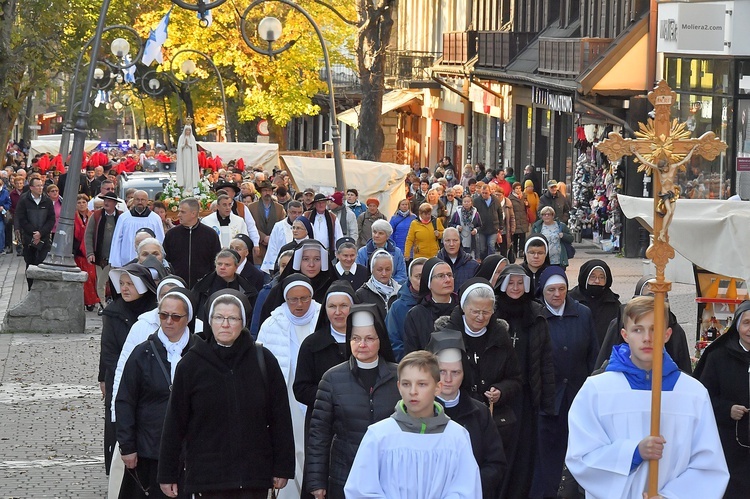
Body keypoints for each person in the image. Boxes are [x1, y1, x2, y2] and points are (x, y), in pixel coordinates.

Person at [567, 296, 729, 499]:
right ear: (625, 335)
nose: (647, 338)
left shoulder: (692, 394)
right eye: (638, 330)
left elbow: (709, 466)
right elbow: (581, 457)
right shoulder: (598, 390)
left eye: (655, 329)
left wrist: (673, 496)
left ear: (668, 334)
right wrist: (634, 453)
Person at [158, 289, 295, 498]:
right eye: (219, 317)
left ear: (243, 321)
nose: (225, 324)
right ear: (209, 321)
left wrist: (282, 467)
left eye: (233, 318)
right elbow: (175, 422)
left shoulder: (263, 360)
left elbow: (280, 418)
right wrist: (167, 473)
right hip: (208, 477)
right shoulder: (191, 364)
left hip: (253, 475)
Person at [343, 351, 482, 498]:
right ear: (398, 387)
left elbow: (466, 490)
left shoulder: (456, 437)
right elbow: (361, 490)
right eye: (406, 384)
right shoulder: (380, 435)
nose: (413, 391)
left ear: (437, 387)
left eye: (422, 384)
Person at [306, 304, 399, 499]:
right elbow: (318, 434)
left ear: (381, 340)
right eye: (355, 338)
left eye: (369, 338)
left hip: (390, 476)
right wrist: (317, 482)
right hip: (344, 475)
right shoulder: (331, 378)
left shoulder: (400, 377)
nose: (362, 344)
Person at [114, 288, 197, 499]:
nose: (168, 321)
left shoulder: (201, 353)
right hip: (149, 450)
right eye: (163, 315)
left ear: (187, 319)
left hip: (191, 452)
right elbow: (125, 401)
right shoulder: (142, 353)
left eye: (175, 316)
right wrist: (127, 446)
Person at [443, 278, 521, 492]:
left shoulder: (500, 336)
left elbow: (515, 378)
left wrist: (501, 391)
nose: (480, 317)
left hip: (494, 422)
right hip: (457, 418)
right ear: (463, 308)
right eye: (475, 311)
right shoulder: (447, 336)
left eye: (486, 312)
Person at [532, 266, 598, 499]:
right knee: (549, 454)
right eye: (551, 290)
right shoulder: (536, 316)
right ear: (542, 291)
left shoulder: (583, 314)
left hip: (578, 395)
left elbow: (593, 354)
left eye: (562, 289)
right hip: (549, 399)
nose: (557, 294)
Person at [258, 275, 322, 499]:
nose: (299, 304)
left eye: (304, 298)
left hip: (314, 392)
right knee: (292, 448)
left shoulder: (323, 318)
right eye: (293, 299)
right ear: (285, 299)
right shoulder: (272, 323)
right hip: (286, 395)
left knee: (314, 448)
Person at [494, 265, 555, 497]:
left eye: (520, 283)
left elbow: (546, 360)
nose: (516, 288)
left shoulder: (536, 313)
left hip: (527, 396)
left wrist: (548, 403)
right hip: (501, 394)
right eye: (511, 283)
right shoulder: (494, 311)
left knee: (524, 455)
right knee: (502, 452)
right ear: (503, 284)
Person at [428, 328, 506, 498]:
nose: (448, 380)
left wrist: (467, 487)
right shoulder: (419, 412)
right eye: (442, 372)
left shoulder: (480, 413)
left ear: (464, 374)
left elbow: (495, 463)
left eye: (455, 372)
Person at [99, 264, 158, 475]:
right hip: (119, 378)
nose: (124, 288)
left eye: (130, 284)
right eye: (121, 284)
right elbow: (108, 353)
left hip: (152, 380)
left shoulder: (156, 312)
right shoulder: (113, 312)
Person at [698, 300, 750, 498]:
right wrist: (727, 409)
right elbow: (703, 398)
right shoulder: (718, 357)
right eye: (746, 323)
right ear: (737, 326)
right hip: (729, 445)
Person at [598, 276, 692, 374]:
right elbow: (605, 356)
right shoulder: (618, 324)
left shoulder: (675, 328)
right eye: (637, 330)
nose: (647, 338)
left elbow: (684, 366)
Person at [162, 198, 222, 288]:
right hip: (177, 285)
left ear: (193, 214)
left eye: (183, 212)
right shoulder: (171, 234)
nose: (178, 215)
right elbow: (166, 260)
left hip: (203, 287)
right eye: (179, 211)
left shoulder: (210, 234)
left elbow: (216, 261)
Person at [403, 258, 457, 354]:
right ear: (429, 282)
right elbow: (412, 353)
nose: (448, 280)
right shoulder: (416, 314)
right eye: (441, 276)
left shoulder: (463, 309)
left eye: (449, 275)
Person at [85, 191, 125, 314]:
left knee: (115, 281)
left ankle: (114, 304)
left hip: (116, 257)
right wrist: (90, 253)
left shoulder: (121, 216)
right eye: (105, 200)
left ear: (115, 203)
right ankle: (103, 305)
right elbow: (88, 235)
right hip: (100, 255)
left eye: (109, 201)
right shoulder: (96, 215)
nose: (106, 203)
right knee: (101, 282)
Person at [192, 249, 259, 322]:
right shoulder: (202, 286)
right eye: (219, 264)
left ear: (236, 267)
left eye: (227, 265)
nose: (222, 267)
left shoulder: (246, 289)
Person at [568, 259, 621, 347]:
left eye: (601, 277)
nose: (597, 281)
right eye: (592, 277)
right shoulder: (571, 300)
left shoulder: (614, 304)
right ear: (585, 278)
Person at [15, 176, 56, 289]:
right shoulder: (24, 200)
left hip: (44, 238)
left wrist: (41, 233)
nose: (40, 188)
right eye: (38, 185)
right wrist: (34, 233)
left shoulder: (47, 200)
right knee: (31, 263)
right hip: (29, 239)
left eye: (41, 185)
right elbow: (21, 218)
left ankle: (42, 288)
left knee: (42, 263)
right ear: (31, 187)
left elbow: (51, 219)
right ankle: (31, 288)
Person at [109, 190, 165, 268]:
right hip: (127, 259)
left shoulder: (155, 218)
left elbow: (160, 240)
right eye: (137, 199)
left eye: (143, 200)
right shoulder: (124, 218)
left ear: (147, 201)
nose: (140, 202)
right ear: (133, 201)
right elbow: (117, 240)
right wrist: (116, 262)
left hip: (149, 260)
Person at [385, 258, 426, 362]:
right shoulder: (397, 307)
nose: (422, 281)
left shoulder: (438, 302)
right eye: (418, 276)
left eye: (426, 276)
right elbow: (392, 341)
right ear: (410, 278)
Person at [355, 219, 407, 284]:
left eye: (380, 233)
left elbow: (402, 275)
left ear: (387, 236)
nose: (376, 235)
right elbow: (359, 275)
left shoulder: (397, 252)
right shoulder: (362, 252)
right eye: (374, 232)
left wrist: (389, 285)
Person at [247, 180, 286, 266]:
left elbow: (282, 226)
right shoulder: (251, 207)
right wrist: (263, 237)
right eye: (264, 190)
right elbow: (249, 226)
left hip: (274, 246)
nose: (267, 193)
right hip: (258, 245)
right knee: (259, 271)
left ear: (272, 192)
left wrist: (271, 238)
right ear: (260, 192)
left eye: (269, 190)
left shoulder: (279, 208)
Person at [355, 249, 401, 321]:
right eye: (379, 270)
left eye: (388, 269)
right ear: (372, 270)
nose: (384, 273)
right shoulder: (362, 294)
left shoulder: (400, 292)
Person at [73, 194, 99, 311]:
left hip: (91, 249)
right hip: (78, 250)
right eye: (79, 202)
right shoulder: (73, 217)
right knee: (84, 278)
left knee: (92, 277)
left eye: (84, 202)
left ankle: (93, 300)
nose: (81, 204)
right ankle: (86, 301)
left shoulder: (93, 216)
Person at [262, 200, 303, 274]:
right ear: (288, 212)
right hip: (282, 266)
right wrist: (274, 268)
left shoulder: (308, 226)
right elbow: (272, 248)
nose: (297, 215)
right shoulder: (279, 226)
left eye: (299, 213)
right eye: (293, 212)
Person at [437, 227, 479, 292]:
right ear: (442, 241)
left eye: (455, 240)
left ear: (460, 241)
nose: (451, 244)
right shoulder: (435, 265)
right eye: (448, 240)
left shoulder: (473, 265)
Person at [305, 193, 343, 262]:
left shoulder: (332, 217)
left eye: (323, 203)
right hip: (310, 252)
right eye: (319, 203)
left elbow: (338, 236)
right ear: (315, 204)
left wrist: (339, 252)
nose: (321, 205)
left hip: (327, 253)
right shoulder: (307, 216)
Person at [473, 184, 504, 260]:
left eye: (486, 193)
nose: (484, 195)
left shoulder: (496, 200)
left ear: (490, 192)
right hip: (481, 228)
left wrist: (501, 226)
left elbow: (500, 213)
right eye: (482, 193)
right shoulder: (477, 201)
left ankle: (491, 261)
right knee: (482, 248)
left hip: (493, 227)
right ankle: (484, 262)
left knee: (491, 245)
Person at [176, 122, 199, 191]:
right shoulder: (181, 137)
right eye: (187, 130)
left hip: (190, 157)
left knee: (190, 170)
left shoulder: (192, 138)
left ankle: (190, 185)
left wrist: (189, 144)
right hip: (183, 157)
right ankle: (184, 185)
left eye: (189, 130)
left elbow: (194, 148)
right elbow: (179, 148)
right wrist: (183, 145)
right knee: (184, 170)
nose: (188, 132)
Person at [509, 182, 530, 259]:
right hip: (515, 219)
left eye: (519, 188)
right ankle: (514, 251)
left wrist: (527, 204)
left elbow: (528, 206)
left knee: (522, 236)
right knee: (514, 237)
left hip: (523, 218)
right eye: (516, 188)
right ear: (513, 189)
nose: (518, 190)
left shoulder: (524, 196)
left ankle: (521, 250)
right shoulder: (510, 198)